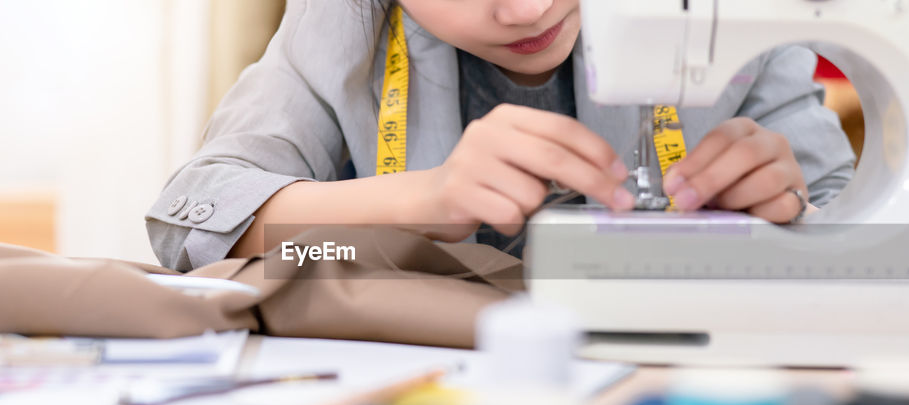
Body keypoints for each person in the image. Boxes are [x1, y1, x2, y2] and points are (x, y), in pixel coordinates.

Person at [146, 0, 856, 272]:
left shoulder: (724, 15)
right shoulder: (344, 26)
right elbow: (191, 220)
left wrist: (791, 220)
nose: (529, 6)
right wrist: (418, 204)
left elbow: (857, 230)